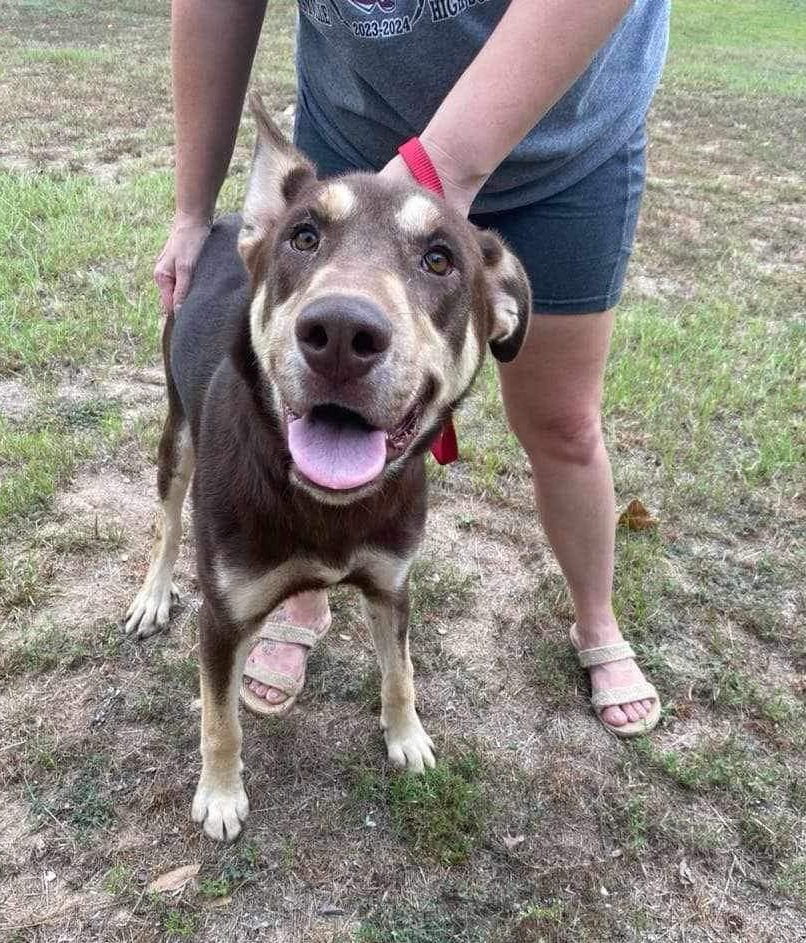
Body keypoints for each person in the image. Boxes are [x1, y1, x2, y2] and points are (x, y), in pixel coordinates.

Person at [155, 0, 668, 737]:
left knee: (563, 424)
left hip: (565, 141)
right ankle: (301, 591)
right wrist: (191, 209)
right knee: (303, 393)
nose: (347, 322)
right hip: (358, 121)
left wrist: (439, 172)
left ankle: (596, 619)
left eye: (436, 261)